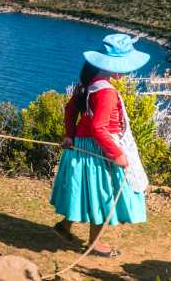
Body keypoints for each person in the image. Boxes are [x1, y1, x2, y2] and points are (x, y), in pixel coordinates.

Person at [49, 33, 150, 257]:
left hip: (83, 148)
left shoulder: (88, 85)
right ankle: (95, 243)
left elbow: (70, 110)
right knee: (104, 194)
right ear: (116, 66)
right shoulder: (107, 92)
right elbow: (99, 127)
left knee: (85, 192)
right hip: (99, 150)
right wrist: (117, 154)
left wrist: (70, 135)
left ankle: (64, 227)